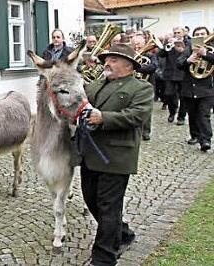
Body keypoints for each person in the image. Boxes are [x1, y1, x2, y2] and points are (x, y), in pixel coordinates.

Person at [80, 44, 153, 266]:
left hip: (117, 157)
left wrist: (104, 118)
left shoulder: (141, 88)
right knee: (92, 201)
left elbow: (137, 116)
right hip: (90, 154)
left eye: (112, 59)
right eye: (106, 59)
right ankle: (122, 233)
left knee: (108, 206)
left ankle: (104, 258)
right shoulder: (95, 85)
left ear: (128, 65)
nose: (107, 63)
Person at [177, 26, 214, 151]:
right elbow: (179, 63)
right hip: (189, 86)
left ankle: (206, 140)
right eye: (197, 34)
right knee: (192, 114)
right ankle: (195, 136)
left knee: (204, 114)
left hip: (206, 88)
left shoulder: (211, 49)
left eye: (203, 33)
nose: (200, 35)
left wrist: (206, 55)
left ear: (207, 34)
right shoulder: (189, 49)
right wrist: (188, 60)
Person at [131, 35, 158, 140]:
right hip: (132, 85)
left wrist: (137, 67)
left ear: (144, 44)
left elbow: (153, 67)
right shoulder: (129, 55)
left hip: (147, 85)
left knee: (146, 109)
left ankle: (146, 131)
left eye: (138, 44)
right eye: (134, 44)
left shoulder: (150, 56)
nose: (136, 46)